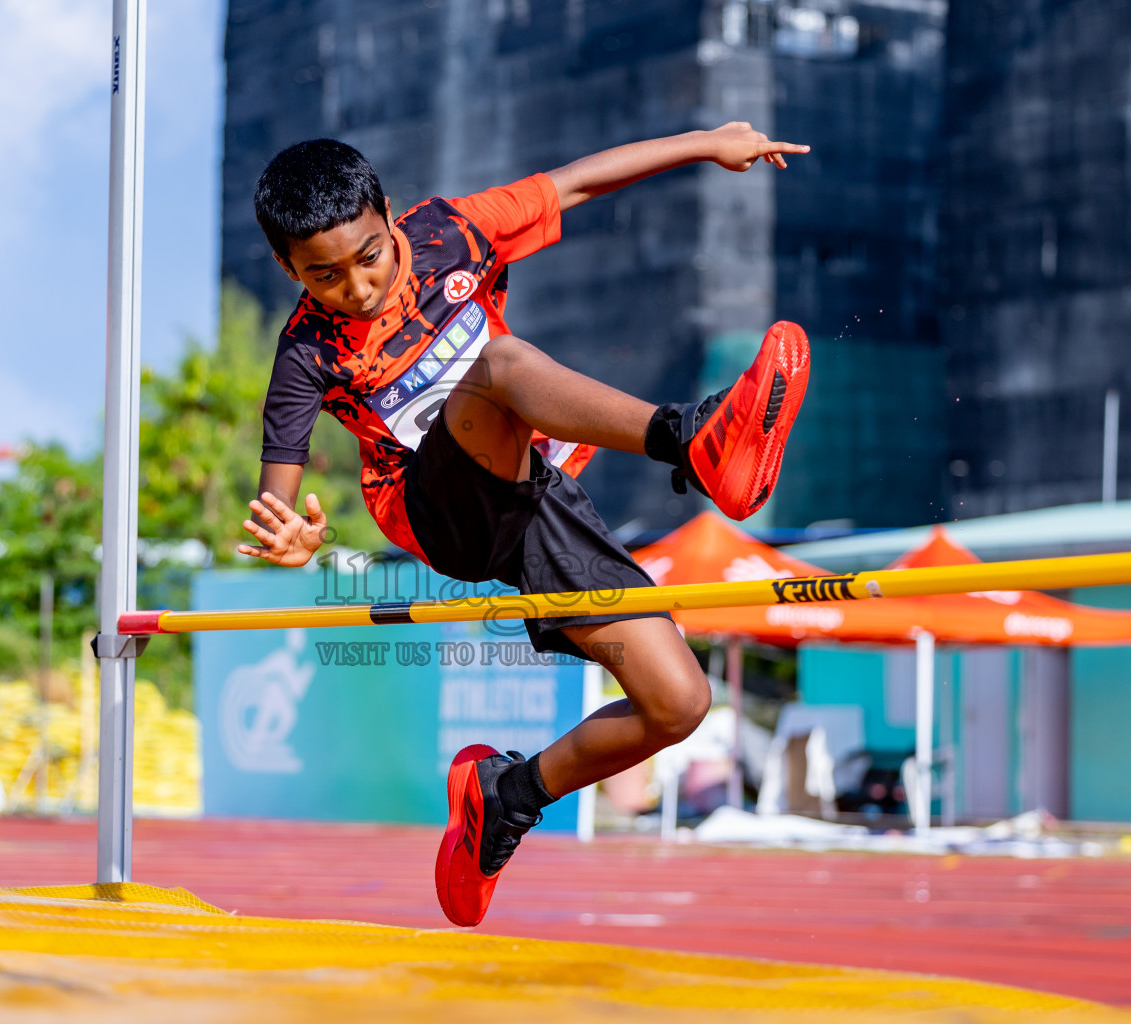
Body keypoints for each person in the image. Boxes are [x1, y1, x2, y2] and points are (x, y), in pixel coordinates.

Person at [239, 125, 812, 927]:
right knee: (502, 369)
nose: (356, 289)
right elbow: (278, 491)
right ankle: (694, 441)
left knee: (677, 700)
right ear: (288, 270)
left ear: (392, 217)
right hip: (440, 513)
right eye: (324, 277)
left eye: (369, 256)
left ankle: (505, 796)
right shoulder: (306, 350)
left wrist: (709, 142)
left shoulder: (454, 232)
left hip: (537, 501)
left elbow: (577, 177)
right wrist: (294, 543)